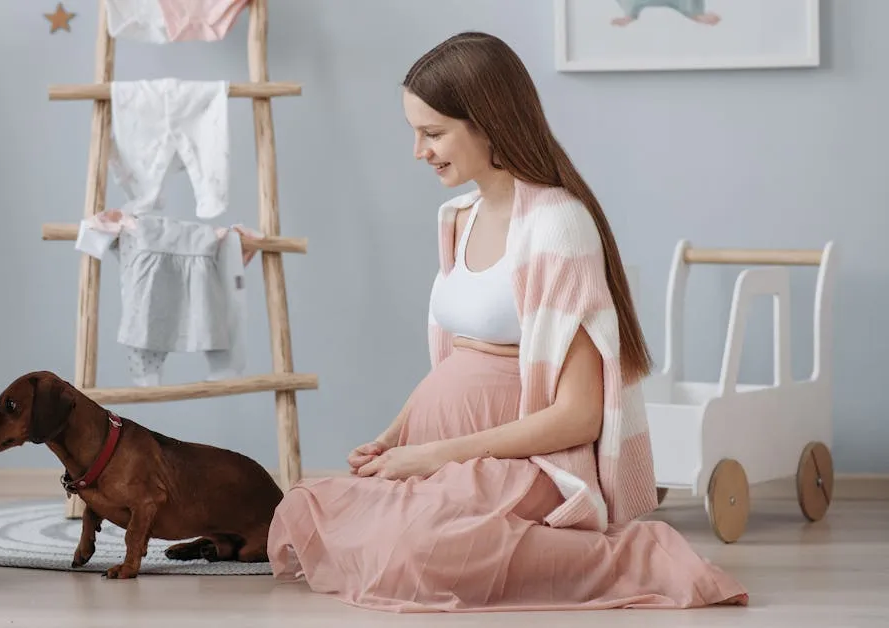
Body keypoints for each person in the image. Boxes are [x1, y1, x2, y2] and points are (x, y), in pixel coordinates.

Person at [265, 31, 748, 613]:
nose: (419, 151)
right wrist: (396, 437)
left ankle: (633, 556)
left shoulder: (557, 227)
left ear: (488, 123)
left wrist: (436, 456)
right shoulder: (457, 218)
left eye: (433, 133)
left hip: (528, 466)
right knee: (303, 505)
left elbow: (579, 416)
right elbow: (458, 360)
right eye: (415, 132)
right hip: (446, 456)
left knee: (415, 549)